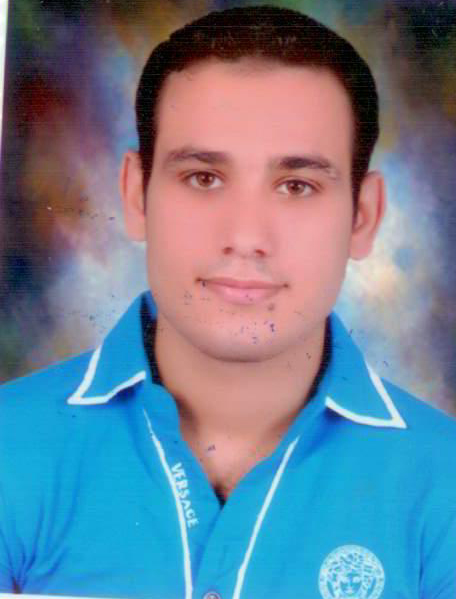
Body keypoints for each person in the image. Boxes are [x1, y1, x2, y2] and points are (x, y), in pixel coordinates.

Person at [1, 5, 455, 599]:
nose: (245, 237)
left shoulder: (443, 485)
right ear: (136, 195)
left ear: (363, 217)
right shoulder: (11, 447)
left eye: (297, 186)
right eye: (203, 178)